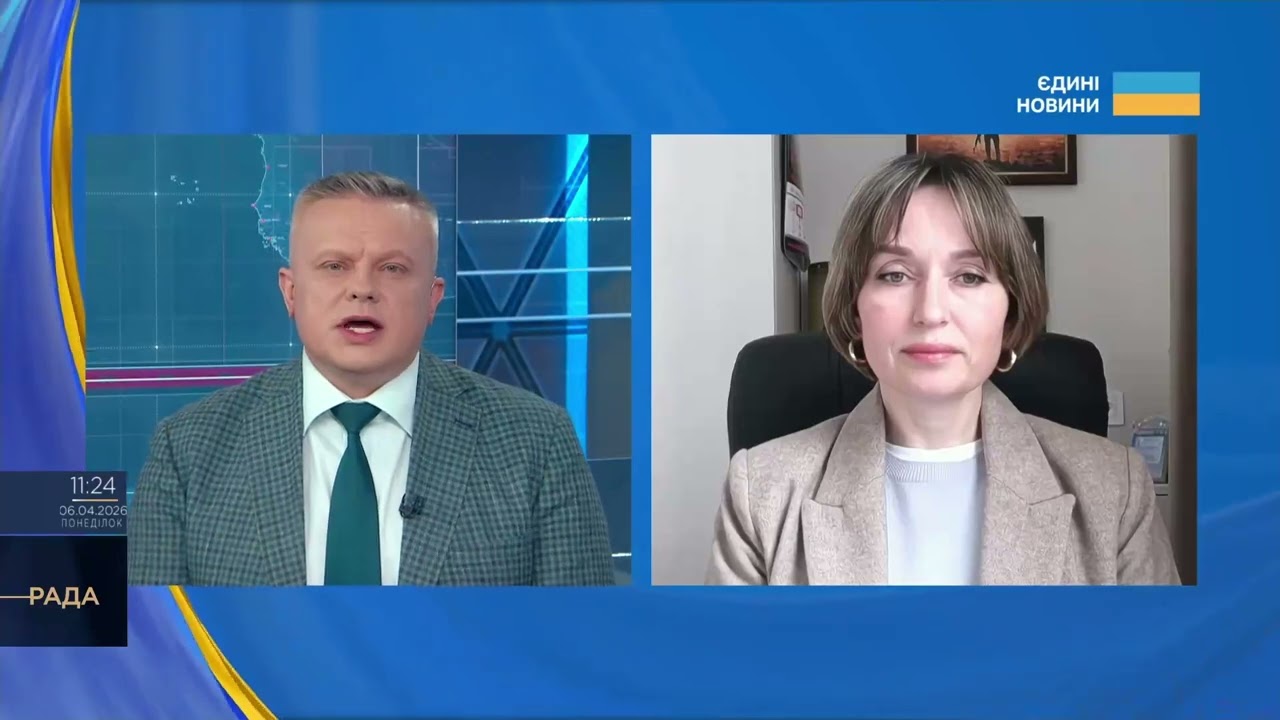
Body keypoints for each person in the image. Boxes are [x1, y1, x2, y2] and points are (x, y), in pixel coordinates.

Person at [706, 153, 1179, 586]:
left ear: (1010, 310)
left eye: (969, 276)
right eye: (895, 274)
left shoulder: (1115, 491)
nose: (931, 312)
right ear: (855, 307)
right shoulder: (760, 493)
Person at [128, 171, 615, 586]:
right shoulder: (188, 447)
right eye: (334, 266)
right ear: (291, 292)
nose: (362, 288)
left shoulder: (537, 441)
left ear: (432, 298)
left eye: (393, 268)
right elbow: (147, 645)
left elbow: (584, 645)